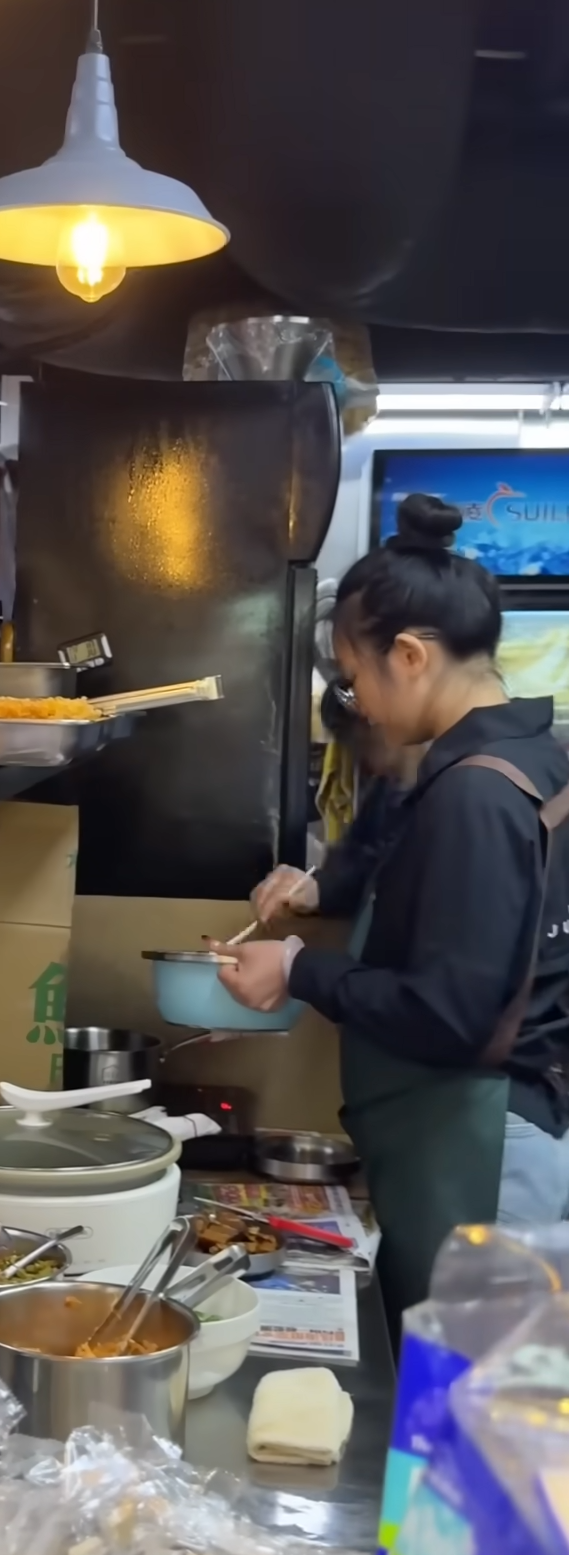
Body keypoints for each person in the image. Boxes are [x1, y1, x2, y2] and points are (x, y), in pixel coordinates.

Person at [214, 493, 569, 1328]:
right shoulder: (523, 756)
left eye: (355, 676)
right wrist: (324, 889)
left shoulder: (475, 795)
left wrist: (299, 968)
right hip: (493, 1134)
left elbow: (449, 1013)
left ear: (409, 655)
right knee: (466, 1395)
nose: (358, 703)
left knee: (474, 1408)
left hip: (487, 1152)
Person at [255, 682, 423, 929]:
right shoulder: (386, 786)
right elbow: (355, 858)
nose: (359, 757)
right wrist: (315, 886)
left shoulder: (449, 789)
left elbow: (392, 881)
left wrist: (324, 890)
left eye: (358, 742)